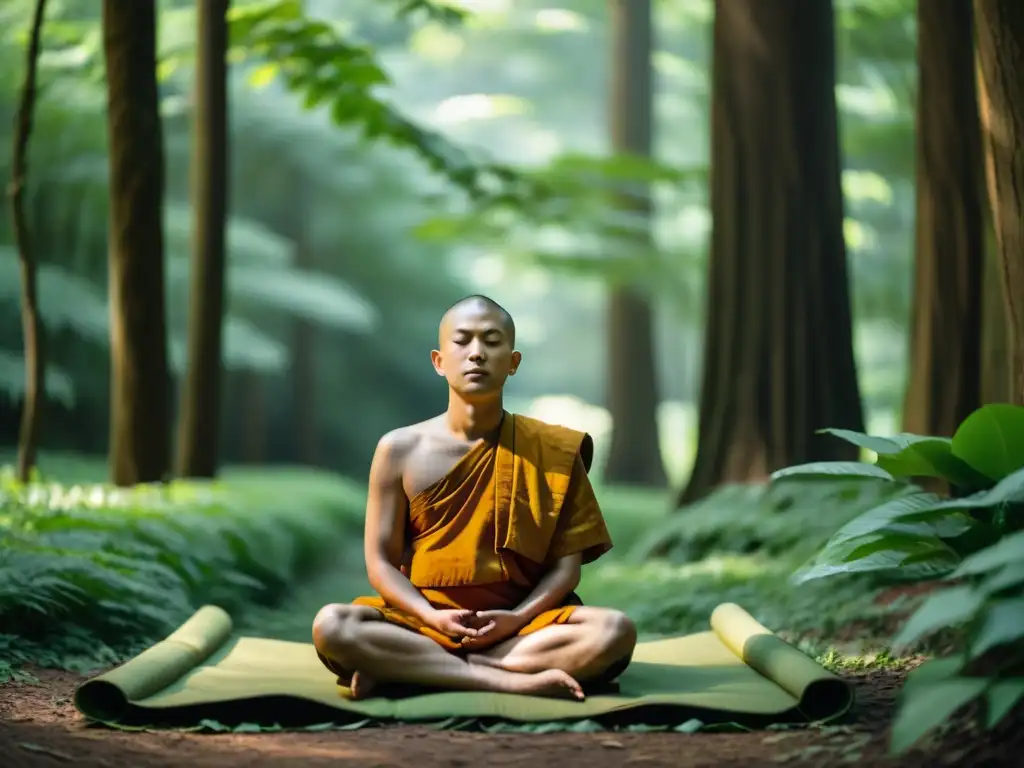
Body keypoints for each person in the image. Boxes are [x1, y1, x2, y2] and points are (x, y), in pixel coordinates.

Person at [312, 295, 637, 701]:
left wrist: (515, 618)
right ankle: (505, 679)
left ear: (513, 362)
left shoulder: (553, 450)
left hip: (522, 629)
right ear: (438, 361)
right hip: (421, 623)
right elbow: (380, 562)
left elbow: (565, 571)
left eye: (492, 341)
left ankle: (413, 671)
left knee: (613, 631)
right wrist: (431, 616)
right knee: (333, 625)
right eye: (462, 341)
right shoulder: (399, 449)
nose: (477, 354)